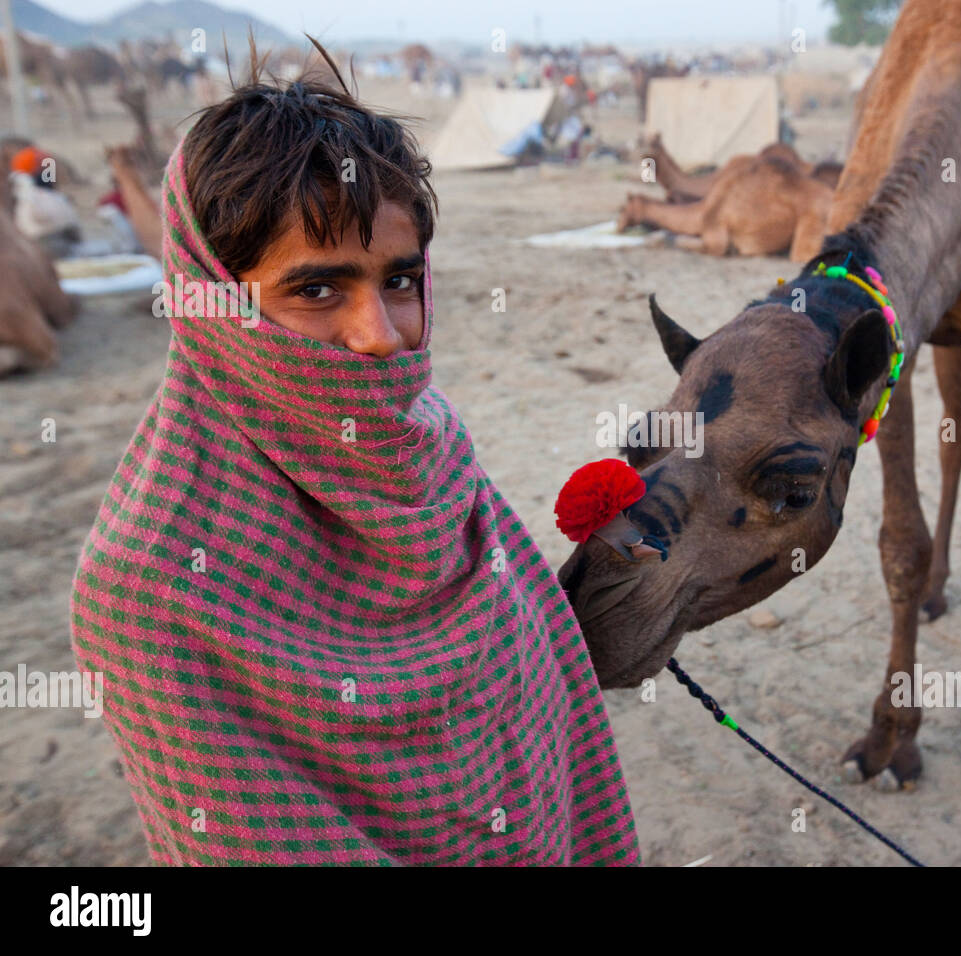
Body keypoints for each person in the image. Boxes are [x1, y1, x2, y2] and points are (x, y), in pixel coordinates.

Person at [69, 45, 639, 866]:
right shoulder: (149, 593)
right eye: (316, 289)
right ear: (213, 302)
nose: (381, 338)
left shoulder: (427, 447)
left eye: (400, 281)